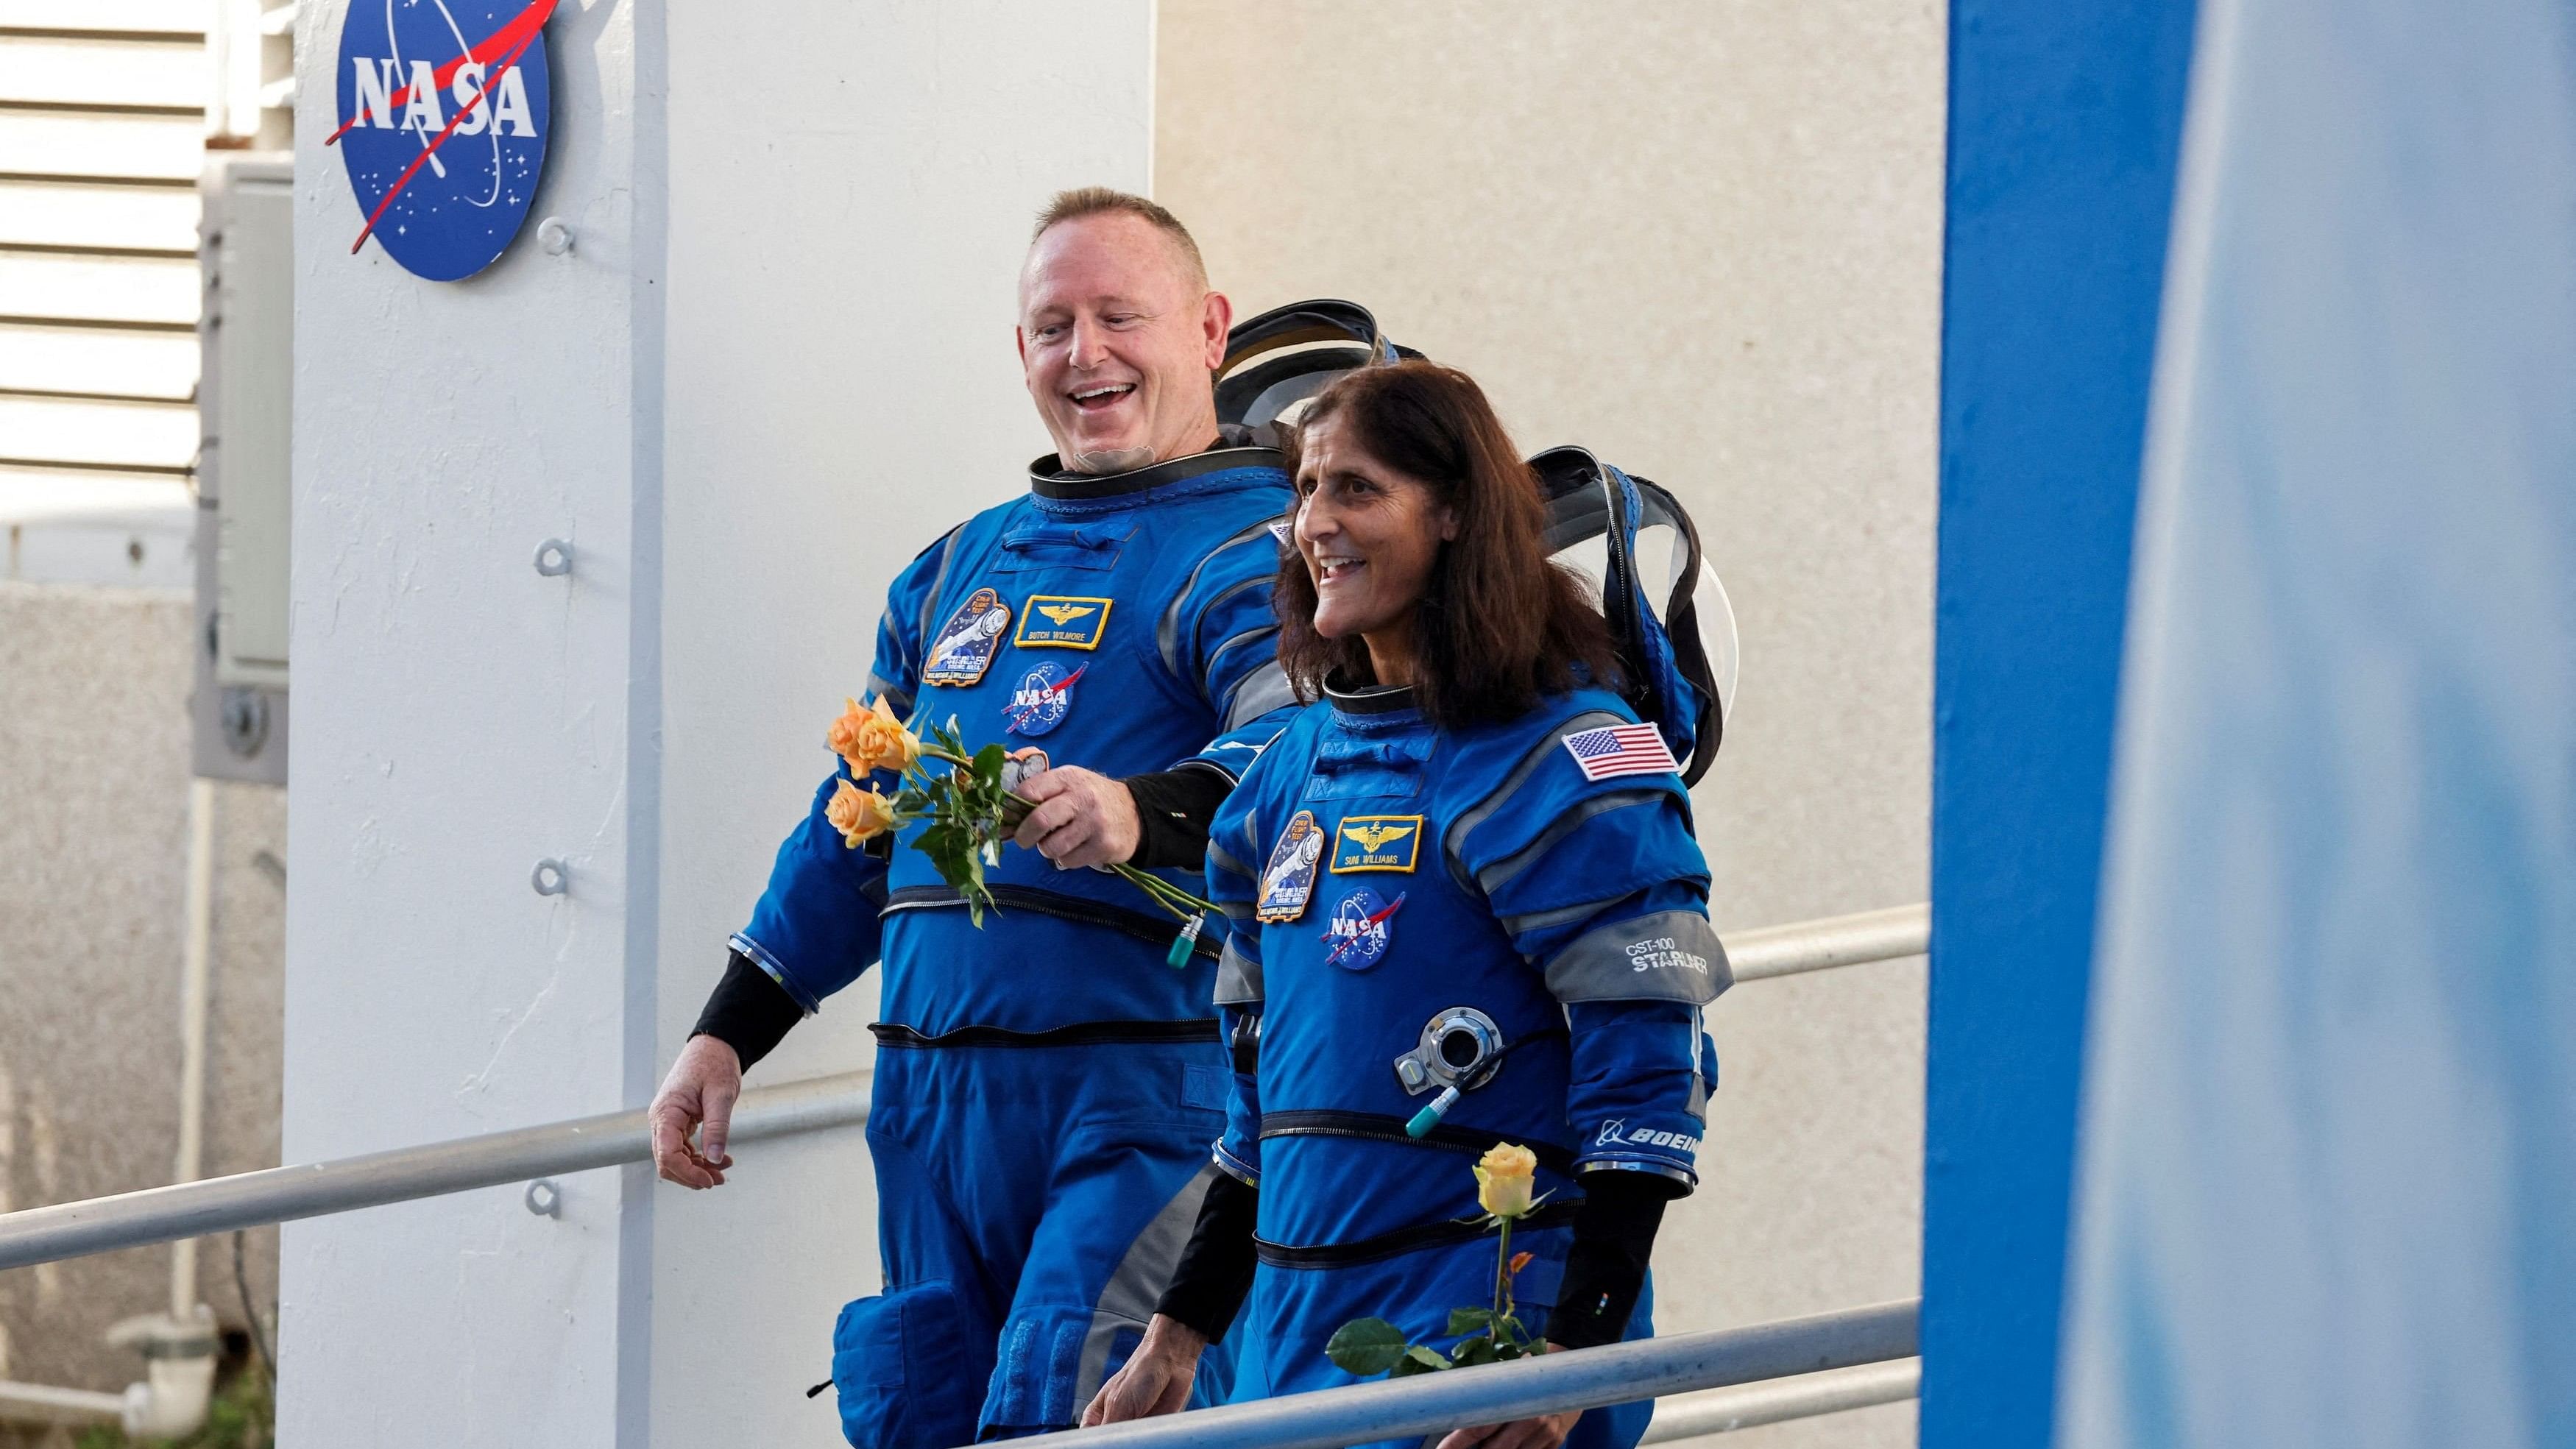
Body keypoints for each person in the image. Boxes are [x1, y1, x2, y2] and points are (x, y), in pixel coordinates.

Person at [646, 188, 1305, 1447]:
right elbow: (858, 818)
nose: (1086, 353)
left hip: (1144, 1101)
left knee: (1085, 1413)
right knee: (927, 1413)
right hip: (932, 1109)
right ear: (1020, 351)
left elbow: (1290, 753)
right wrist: (728, 1033)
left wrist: (1138, 811)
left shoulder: (1266, 553)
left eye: (1123, 316)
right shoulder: (958, 566)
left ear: (1211, 328)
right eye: (1053, 325)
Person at [1083, 361, 1729, 1449]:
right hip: (1288, 1355)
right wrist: (1181, 1331)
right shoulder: (1284, 773)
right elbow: (1258, 1103)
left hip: (1480, 1359)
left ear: (1458, 513)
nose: (1314, 523)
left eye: (1358, 490)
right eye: (1307, 490)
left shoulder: (1559, 757)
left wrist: (1573, 1361)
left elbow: (1651, 1075)